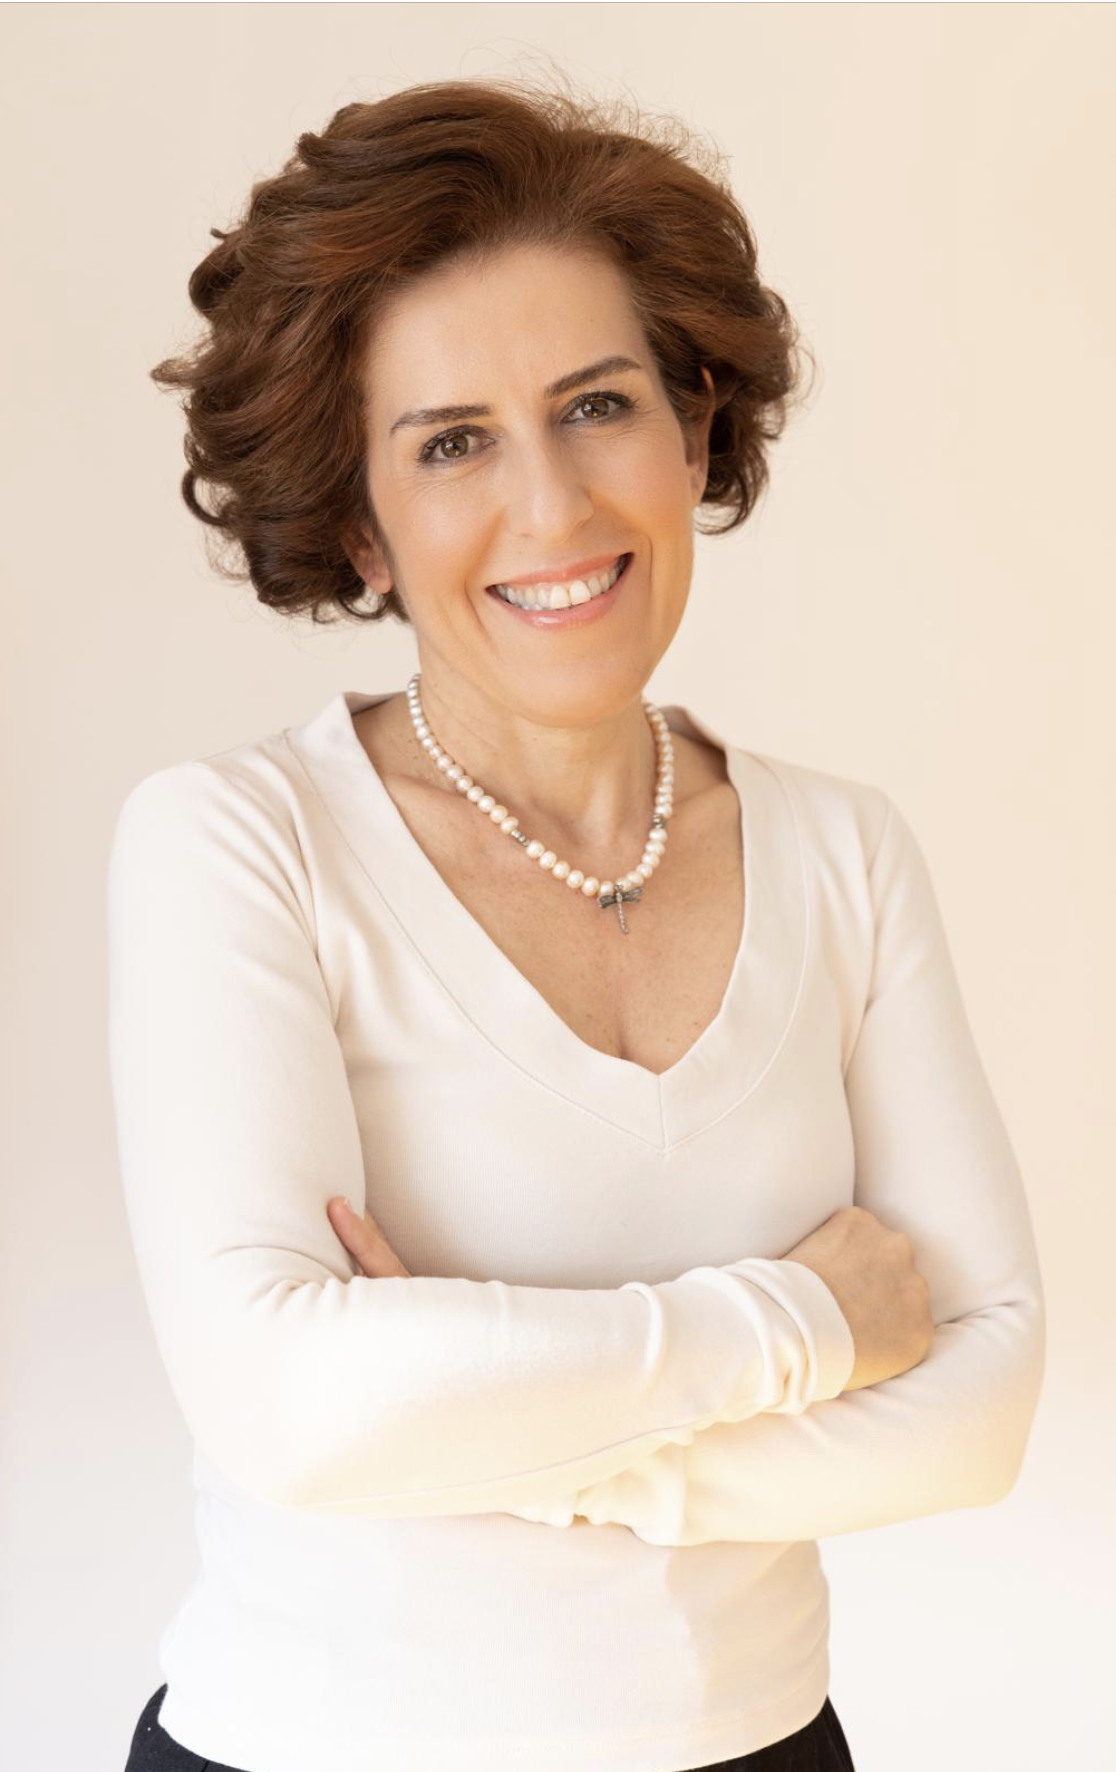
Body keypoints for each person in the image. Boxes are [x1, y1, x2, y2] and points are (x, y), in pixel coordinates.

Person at [109, 73, 1046, 1772]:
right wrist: (808, 1325)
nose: (552, 508)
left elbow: (977, 1412)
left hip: (767, 1745)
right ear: (358, 525)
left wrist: (518, 1449)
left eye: (598, 406)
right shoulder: (238, 844)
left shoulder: (844, 851)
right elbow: (290, 1407)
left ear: (693, 433)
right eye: (451, 441)